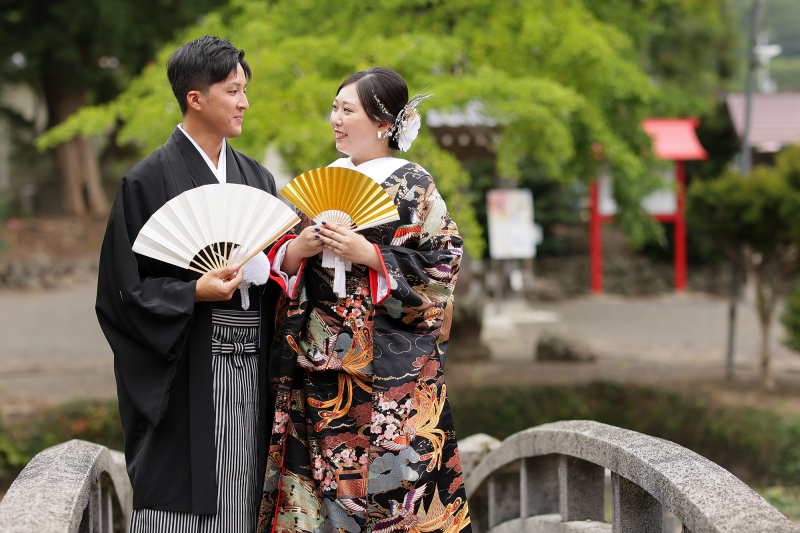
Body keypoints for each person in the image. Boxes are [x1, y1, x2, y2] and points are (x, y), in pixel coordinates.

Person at [258, 67, 471, 533]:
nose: (335, 118)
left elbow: (443, 265)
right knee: (313, 495)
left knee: (391, 499)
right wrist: (297, 250)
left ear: (382, 122)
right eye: (334, 107)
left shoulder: (414, 186)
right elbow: (275, 261)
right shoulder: (318, 184)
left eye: (346, 109)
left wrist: (371, 255)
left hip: (390, 370)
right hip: (313, 364)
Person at [96, 35, 280, 532]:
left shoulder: (256, 178)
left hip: (252, 360)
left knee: (245, 490)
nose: (244, 102)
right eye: (231, 91)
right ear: (194, 98)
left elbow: (276, 268)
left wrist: (282, 264)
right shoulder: (146, 180)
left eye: (245, 90)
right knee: (184, 496)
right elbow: (119, 295)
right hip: (187, 366)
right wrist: (192, 292)